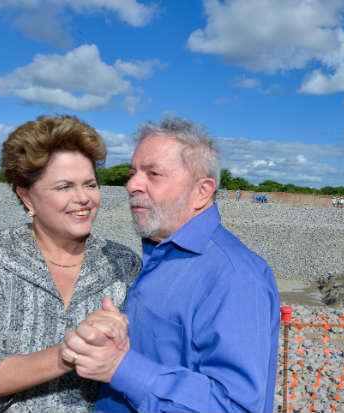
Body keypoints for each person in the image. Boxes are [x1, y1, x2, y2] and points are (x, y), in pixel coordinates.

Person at [62, 117, 281, 412]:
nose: (132, 185)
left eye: (153, 174)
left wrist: (121, 367)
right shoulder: (158, 254)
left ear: (202, 192)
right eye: (132, 172)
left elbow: (236, 406)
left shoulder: (235, 278)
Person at [0, 115, 140, 412]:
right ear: (26, 196)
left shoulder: (122, 263)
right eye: (64, 186)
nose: (83, 198)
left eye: (90, 184)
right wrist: (69, 352)